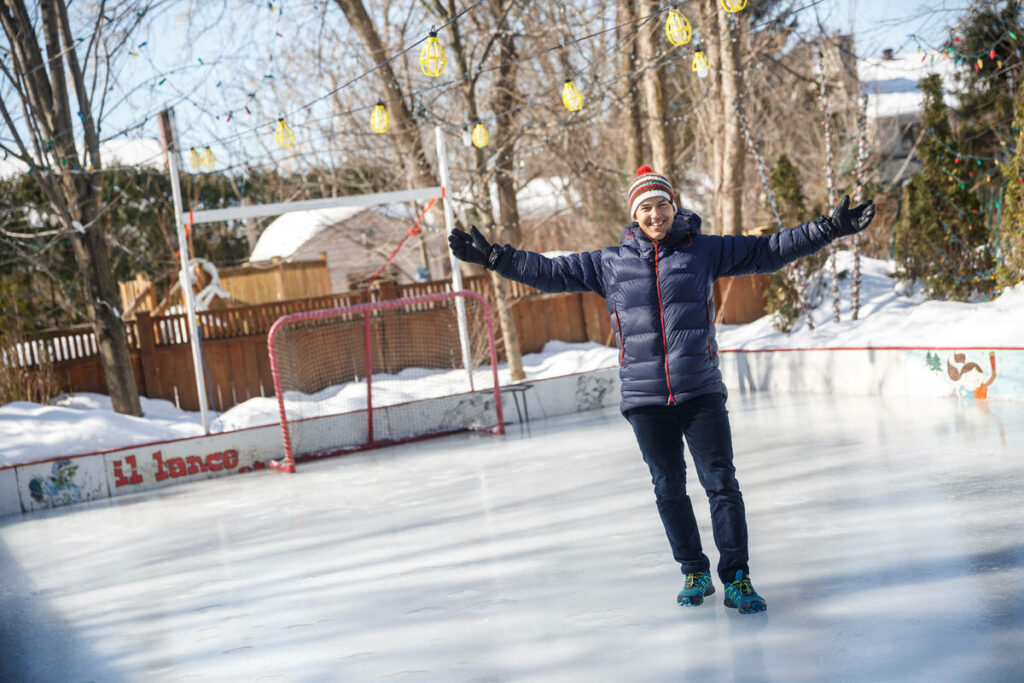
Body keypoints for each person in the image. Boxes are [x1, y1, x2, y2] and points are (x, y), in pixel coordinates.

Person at [449, 165, 875, 614]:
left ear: (674, 207)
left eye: (662, 205)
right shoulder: (609, 263)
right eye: (646, 208)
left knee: (721, 484)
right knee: (668, 488)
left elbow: (767, 250)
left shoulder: (704, 251)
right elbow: (550, 272)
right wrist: (497, 258)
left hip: (700, 391)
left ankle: (737, 578)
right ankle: (693, 570)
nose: (656, 214)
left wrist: (828, 229)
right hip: (645, 399)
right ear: (635, 215)